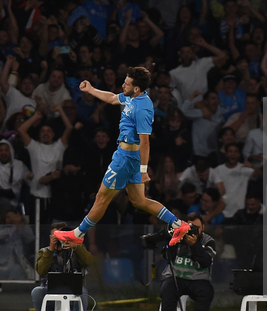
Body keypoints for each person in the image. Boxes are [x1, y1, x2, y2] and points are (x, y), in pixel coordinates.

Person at [53, 67, 189, 247]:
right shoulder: (133, 97)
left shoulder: (142, 108)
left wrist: (143, 170)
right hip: (127, 156)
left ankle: (77, 234)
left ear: (137, 89)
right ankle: (179, 225)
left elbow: (145, 142)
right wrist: (91, 89)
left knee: (102, 197)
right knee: (139, 200)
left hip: (126, 159)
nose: (123, 84)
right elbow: (111, 98)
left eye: (127, 83)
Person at [141, 212, 216, 311]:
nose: (193, 230)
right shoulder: (178, 235)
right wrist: (174, 241)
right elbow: (167, 256)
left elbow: (206, 262)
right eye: (190, 227)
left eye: (197, 227)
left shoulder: (208, 241)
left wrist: (194, 245)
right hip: (176, 277)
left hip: (198, 280)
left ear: (203, 227)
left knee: (206, 292)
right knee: (168, 289)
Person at [31, 222, 95, 311]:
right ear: (50, 237)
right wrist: (51, 250)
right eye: (56, 235)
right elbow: (41, 271)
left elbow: (89, 261)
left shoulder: (76, 249)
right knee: (37, 291)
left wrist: (76, 247)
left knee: (82, 292)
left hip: (74, 292)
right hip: (51, 291)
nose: (60, 238)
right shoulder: (45, 251)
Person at [0, 140, 33, 221]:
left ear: (11, 151)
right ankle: (3, 228)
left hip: (14, 200)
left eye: (6, 150)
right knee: (4, 203)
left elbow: (28, 177)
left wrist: (29, 177)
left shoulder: (19, 165)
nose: (3, 153)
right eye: (1, 151)